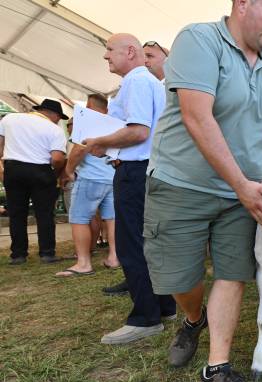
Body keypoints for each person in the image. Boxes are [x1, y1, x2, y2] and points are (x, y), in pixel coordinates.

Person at [144, 0, 262, 382]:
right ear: (242, 4)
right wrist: (242, 184)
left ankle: (217, 369)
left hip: (242, 194)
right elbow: (197, 118)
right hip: (182, 184)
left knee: (233, 271)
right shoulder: (199, 40)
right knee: (178, 279)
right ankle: (193, 318)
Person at [83, 33, 176, 344]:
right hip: (146, 168)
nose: (106, 56)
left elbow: (137, 131)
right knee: (149, 244)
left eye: (110, 50)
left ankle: (146, 318)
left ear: (130, 52)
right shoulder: (147, 82)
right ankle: (164, 306)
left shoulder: (137, 81)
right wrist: (112, 149)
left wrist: (99, 142)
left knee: (130, 245)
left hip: (136, 171)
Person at [56, 94, 120, 277]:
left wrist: (69, 170)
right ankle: (114, 257)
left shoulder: (90, 121)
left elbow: (79, 149)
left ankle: (83, 263)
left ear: (89, 105)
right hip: (112, 177)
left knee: (79, 218)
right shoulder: (114, 122)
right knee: (112, 219)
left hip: (91, 177)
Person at [0, 99, 67, 265]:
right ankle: (47, 253)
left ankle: (18, 254)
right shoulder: (54, 129)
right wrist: (56, 173)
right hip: (41, 170)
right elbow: (57, 159)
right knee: (44, 213)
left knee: (16, 213)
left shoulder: (9, 118)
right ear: (55, 115)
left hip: (13, 168)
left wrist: (4, 167)